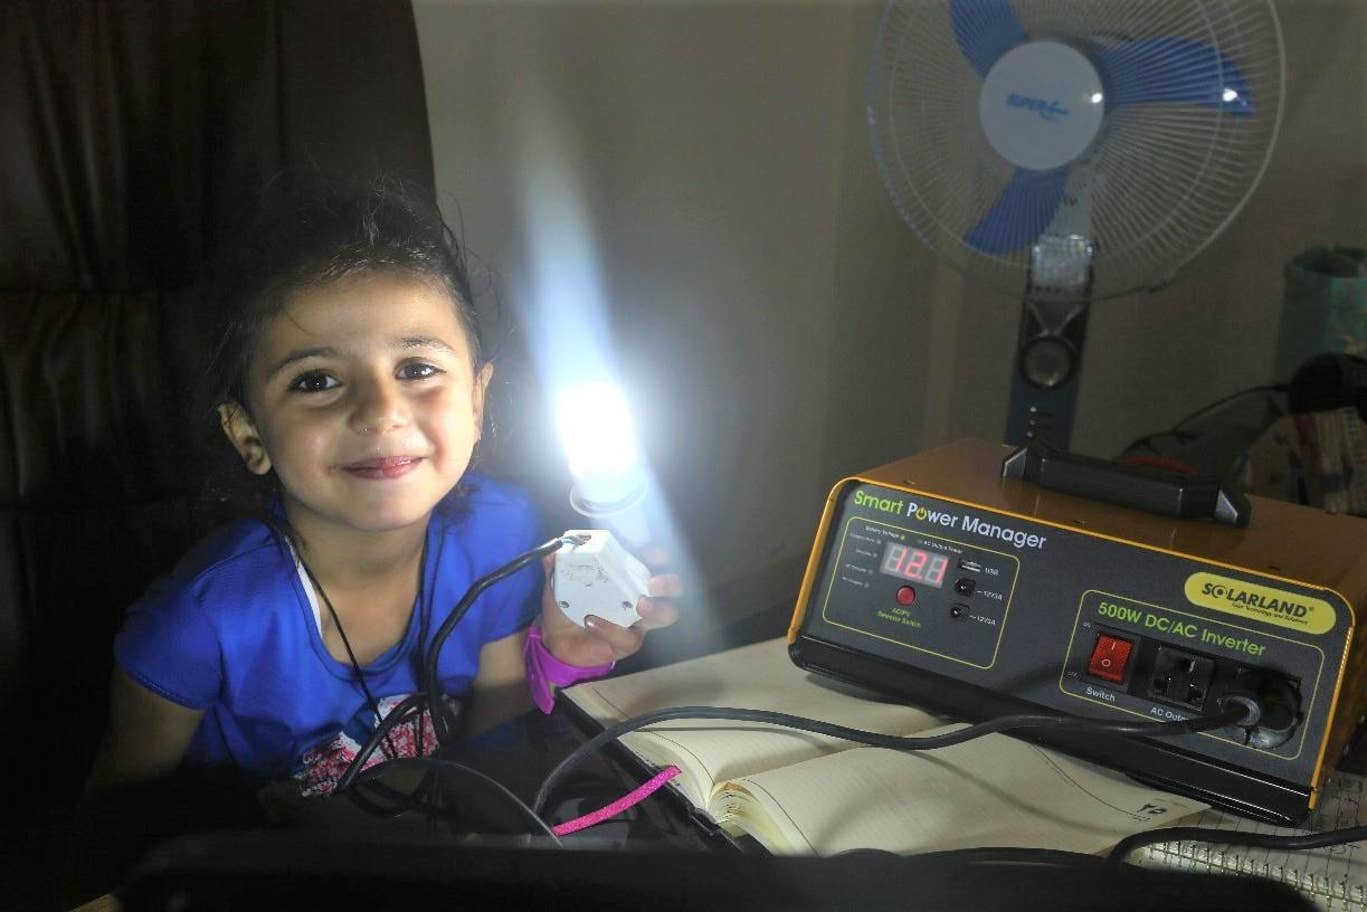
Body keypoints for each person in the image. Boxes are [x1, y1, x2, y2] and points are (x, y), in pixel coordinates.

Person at [81, 177, 681, 805]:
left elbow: (495, 752)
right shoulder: (199, 622)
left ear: (476, 403)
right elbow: (115, 824)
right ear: (249, 433)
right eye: (316, 380)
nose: (382, 411)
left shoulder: (502, 533)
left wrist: (561, 659)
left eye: (417, 369)